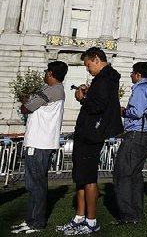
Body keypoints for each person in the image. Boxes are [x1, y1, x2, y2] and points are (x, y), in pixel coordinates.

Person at [57, 48, 123, 235]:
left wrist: (82, 98)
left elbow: (97, 107)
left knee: (88, 177)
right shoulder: (104, 80)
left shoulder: (105, 80)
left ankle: (91, 220)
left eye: (87, 65)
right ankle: (80, 217)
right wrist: (88, 93)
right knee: (81, 177)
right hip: (87, 132)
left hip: (92, 134)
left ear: (96, 59)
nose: (87, 69)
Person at [11, 61, 68, 235]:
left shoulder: (49, 91)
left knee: (35, 184)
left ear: (50, 73)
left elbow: (26, 108)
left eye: (46, 72)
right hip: (44, 142)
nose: (44, 75)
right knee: (36, 183)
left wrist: (26, 101)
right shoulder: (57, 90)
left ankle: (36, 221)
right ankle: (32, 219)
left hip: (38, 143)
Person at [114, 62, 147, 225]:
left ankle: (127, 214)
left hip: (135, 134)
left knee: (122, 173)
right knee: (135, 175)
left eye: (132, 73)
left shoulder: (139, 89)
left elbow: (137, 112)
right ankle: (137, 212)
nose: (131, 75)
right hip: (146, 134)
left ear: (138, 75)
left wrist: (124, 111)